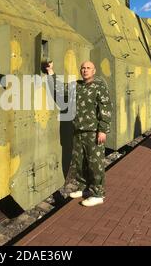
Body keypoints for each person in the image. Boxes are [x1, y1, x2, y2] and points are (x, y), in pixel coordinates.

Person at [46, 61, 112, 207]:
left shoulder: (99, 87)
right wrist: (51, 71)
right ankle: (84, 189)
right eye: (83, 68)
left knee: (95, 164)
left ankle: (98, 194)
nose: (85, 70)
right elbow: (60, 89)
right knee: (80, 162)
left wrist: (103, 129)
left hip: (93, 132)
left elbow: (106, 108)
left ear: (94, 71)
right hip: (78, 130)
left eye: (88, 68)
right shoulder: (76, 85)